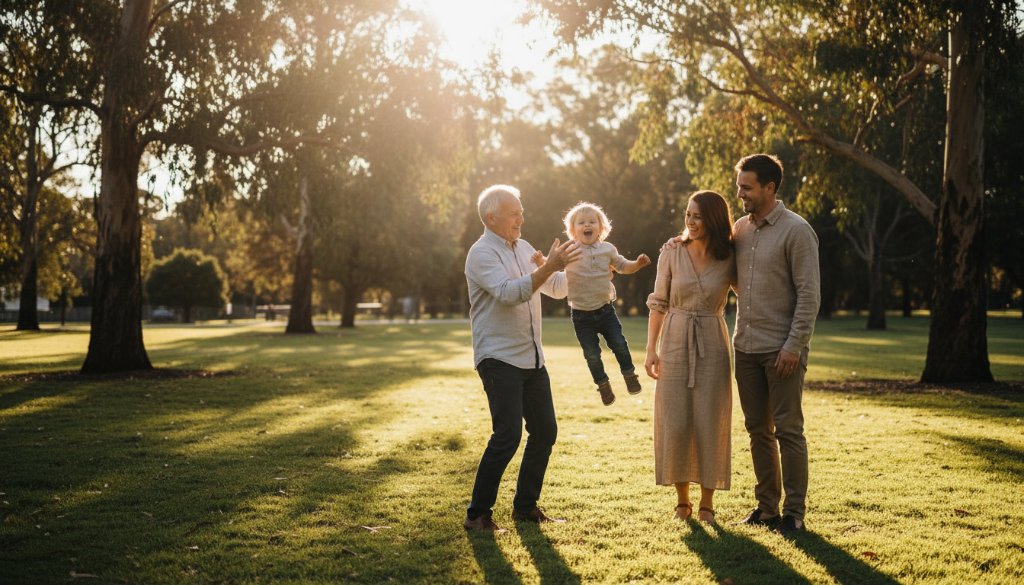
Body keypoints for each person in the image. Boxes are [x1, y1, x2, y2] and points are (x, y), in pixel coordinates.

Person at [462, 184, 582, 532]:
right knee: (508, 435)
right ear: (491, 217)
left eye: (521, 211)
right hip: (498, 358)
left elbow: (556, 287)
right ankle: (477, 515)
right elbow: (510, 293)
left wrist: (584, 269)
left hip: (532, 359)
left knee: (545, 431)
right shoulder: (481, 253)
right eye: (515, 213)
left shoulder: (525, 247)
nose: (521, 218)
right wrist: (550, 267)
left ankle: (525, 508)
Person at [731, 154, 820, 534]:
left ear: (770, 188)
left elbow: (809, 295)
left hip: (781, 350)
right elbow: (737, 282)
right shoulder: (740, 229)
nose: (740, 194)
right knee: (757, 430)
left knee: (788, 430)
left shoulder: (797, 231)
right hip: (745, 348)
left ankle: (794, 513)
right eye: (739, 186)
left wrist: (793, 346)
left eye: (747, 187)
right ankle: (766, 508)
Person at [645, 191, 736, 523]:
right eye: (687, 215)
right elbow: (658, 302)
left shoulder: (730, 255)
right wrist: (651, 349)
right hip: (674, 338)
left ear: (712, 218)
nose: (691, 222)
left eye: (697, 216)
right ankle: (682, 501)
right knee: (676, 420)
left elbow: (750, 290)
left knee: (710, 420)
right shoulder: (672, 252)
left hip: (712, 340)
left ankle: (707, 503)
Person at [531, 202, 651, 406]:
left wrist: (637, 264)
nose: (587, 225)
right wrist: (541, 261)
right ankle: (603, 385)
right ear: (573, 230)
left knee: (619, 344)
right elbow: (552, 263)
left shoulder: (608, 249)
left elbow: (622, 266)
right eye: (581, 222)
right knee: (592, 355)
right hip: (581, 315)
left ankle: (629, 375)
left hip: (605, 311)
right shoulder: (568, 250)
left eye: (592, 222)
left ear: (601, 228)